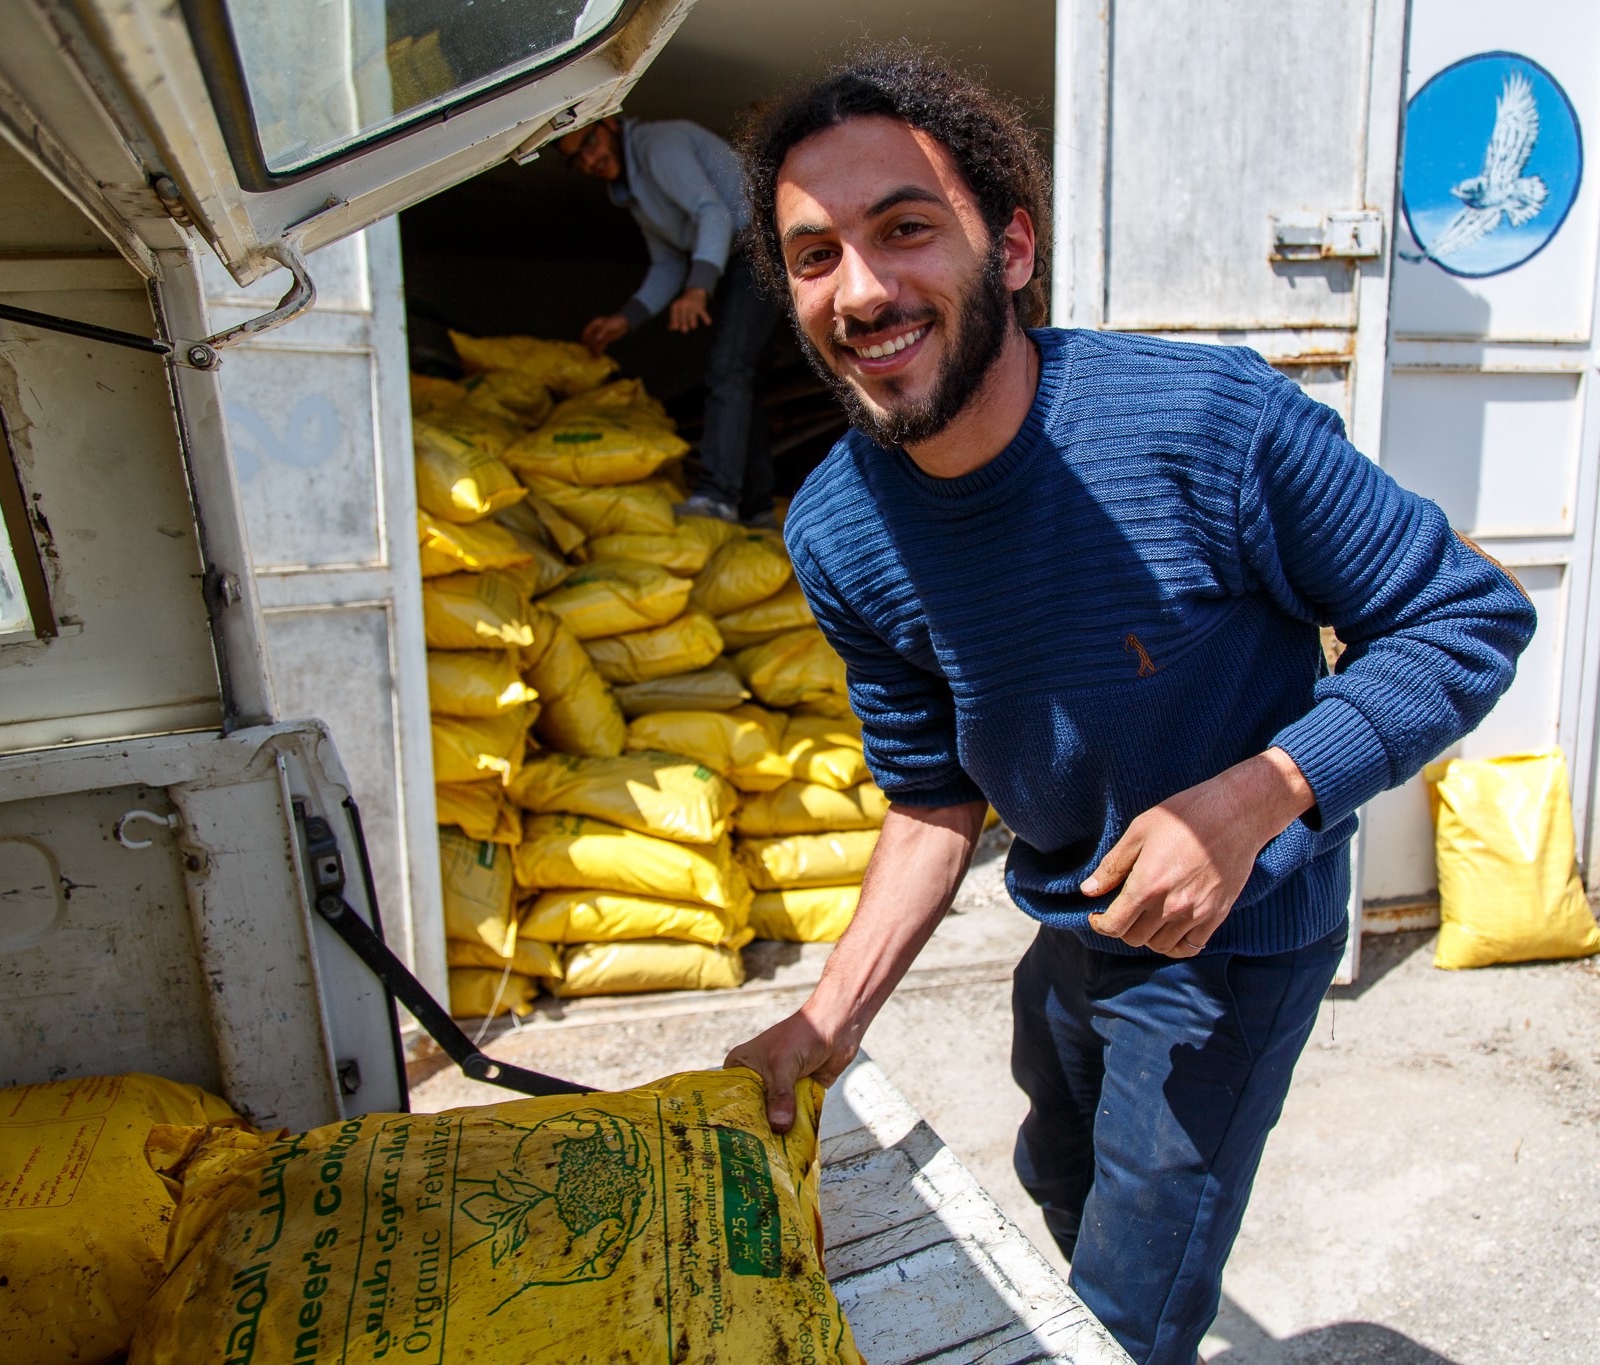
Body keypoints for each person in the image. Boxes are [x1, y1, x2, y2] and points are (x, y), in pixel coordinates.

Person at [718, 56, 1539, 1365]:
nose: (862, 289)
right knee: (1053, 1155)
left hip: (1240, 938)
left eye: (905, 228)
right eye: (815, 256)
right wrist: (830, 1021)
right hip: (1077, 911)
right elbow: (933, 792)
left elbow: (1464, 615)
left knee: (1121, 1306)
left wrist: (1254, 797)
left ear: (1016, 245)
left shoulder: (1207, 425)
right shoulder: (837, 531)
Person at [557, 114, 781, 524]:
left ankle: (717, 498)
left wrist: (699, 288)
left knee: (729, 373)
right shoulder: (631, 190)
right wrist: (626, 320)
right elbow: (667, 263)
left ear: (608, 124)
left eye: (588, 143)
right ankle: (757, 508)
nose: (589, 160)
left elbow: (713, 213)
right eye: (576, 159)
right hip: (732, 258)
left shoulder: (657, 145)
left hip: (755, 250)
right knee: (739, 378)